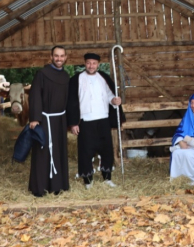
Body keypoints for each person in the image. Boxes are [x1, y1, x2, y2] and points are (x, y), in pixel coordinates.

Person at [68, 53, 123, 189]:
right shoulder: (77, 79)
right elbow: (72, 102)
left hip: (103, 119)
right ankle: (88, 180)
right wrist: (74, 123)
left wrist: (115, 101)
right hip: (86, 121)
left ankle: (107, 178)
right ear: (84, 63)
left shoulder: (103, 78)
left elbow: (110, 95)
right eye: (88, 63)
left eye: (94, 63)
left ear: (98, 64)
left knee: (106, 150)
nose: (91, 66)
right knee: (86, 151)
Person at [28, 46, 70, 197]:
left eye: (62, 56)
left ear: (66, 57)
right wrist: (35, 118)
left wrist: (71, 121)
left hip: (60, 120)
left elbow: (69, 101)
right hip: (45, 120)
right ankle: (40, 187)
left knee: (58, 151)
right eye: (56, 56)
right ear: (51, 56)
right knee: (42, 152)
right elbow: (35, 96)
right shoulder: (42, 74)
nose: (59, 59)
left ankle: (57, 185)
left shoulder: (66, 76)